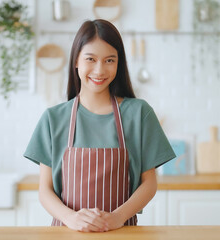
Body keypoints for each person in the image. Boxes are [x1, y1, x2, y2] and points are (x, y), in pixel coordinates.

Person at [24, 19, 175, 232]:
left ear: (119, 63)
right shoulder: (53, 119)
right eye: (91, 59)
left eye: (109, 60)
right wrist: (72, 218)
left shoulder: (139, 113)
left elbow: (149, 184)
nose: (99, 70)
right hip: (67, 233)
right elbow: (45, 191)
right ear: (76, 61)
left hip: (122, 233)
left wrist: (117, 218)